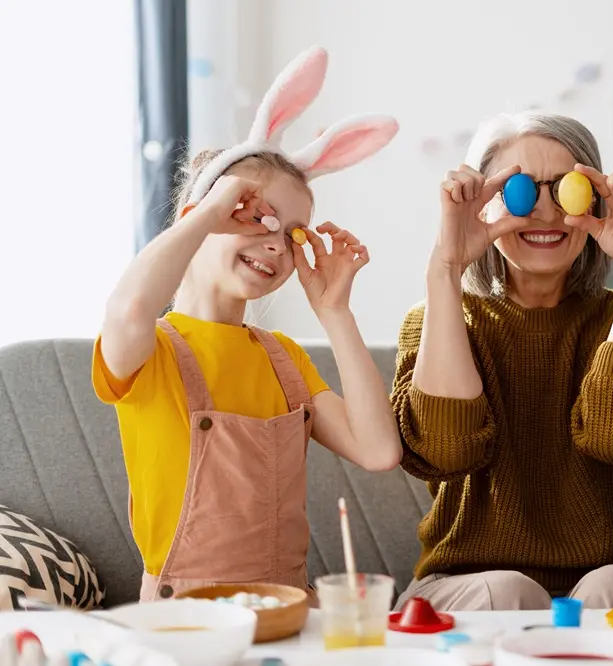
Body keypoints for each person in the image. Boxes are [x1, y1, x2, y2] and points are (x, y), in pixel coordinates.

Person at [92, 46, 402, 601]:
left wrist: (335, 311)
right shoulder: (151, 348)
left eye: (293, 235)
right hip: (182, 622)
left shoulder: (283, 359)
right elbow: (130, 308)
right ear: (201, 211)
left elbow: (380, 452)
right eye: (256, 216)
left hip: (288, 611)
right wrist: (207, 213)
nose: (274, 243)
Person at [390, 111, 613, 611]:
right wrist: (445, 271)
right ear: (483, 205)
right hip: (468, 582)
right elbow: (446, 451)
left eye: (566, 188)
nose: (548, 213)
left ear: (595, 198)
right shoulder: (435, 320)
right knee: (504, 590)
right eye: (521, 191)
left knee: (611, 587)